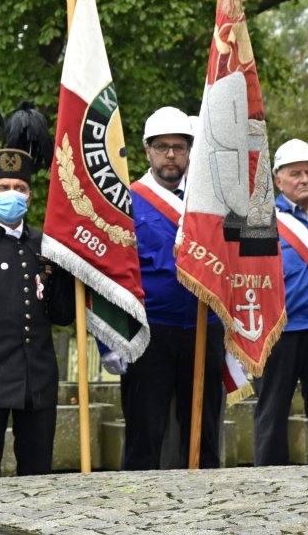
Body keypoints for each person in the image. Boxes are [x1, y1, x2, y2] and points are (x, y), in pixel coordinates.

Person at [0, 149, 74, 478]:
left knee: (38, 475)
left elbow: (62, 315)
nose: (12, 194)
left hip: (37, 376)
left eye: (20, 188)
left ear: (30, 195)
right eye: (3, 187)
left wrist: (64, 273)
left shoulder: (46, 243)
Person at [122, 106, 224, 469]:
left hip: (204, 327)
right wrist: (114, 339)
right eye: (162, 146)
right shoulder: (128, 200)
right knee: (144, 431)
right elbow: (115, 272)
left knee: (205, 430)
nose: (170, 155)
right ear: (147, 150)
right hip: (151, 331)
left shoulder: (209, 201)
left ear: (189, 151)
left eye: (178, 147)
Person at [252, 139, 308, 466]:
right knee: (272, 408)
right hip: (279, 331)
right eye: (295, 173)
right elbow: (250, 277)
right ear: (277, 179)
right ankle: (269, 477)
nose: (304, 179)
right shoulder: (261, 220)